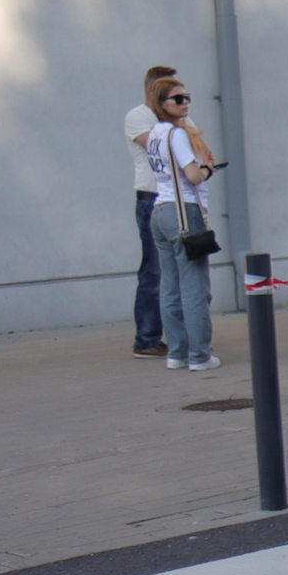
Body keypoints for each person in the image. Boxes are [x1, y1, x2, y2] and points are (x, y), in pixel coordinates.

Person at [142, 76, 219, 372]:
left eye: (187, 97)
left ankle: (177, 353)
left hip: (159, 211)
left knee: (170, 287)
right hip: (184, 211)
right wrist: (208, 169)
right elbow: (193, 176)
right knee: (195, 287)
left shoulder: (154, 135)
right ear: (162, 104)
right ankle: (200, 356)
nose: (185, 102)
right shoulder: (176, 134)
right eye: (177, 99)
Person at [125, 64, 177, 358]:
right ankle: (146, 339)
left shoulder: (176, 117)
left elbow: (198, 148)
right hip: (152, 198)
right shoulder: (138, 117)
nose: (179, 100)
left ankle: (182, 335)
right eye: (170, 92)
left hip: (181, 198)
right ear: (152, 90)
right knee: (154, 270)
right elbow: (161, 149)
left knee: (182, 269)